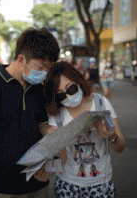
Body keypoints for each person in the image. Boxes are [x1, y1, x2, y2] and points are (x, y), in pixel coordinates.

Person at [0, 28, 60, 198]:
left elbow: (42, 127)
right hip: (2, 186)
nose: (44, 73)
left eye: (48, 68)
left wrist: (55, 134)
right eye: (41, 66)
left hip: (38, 182)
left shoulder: (38, 89)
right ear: (21, 59)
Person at [44, 61, 126, 197]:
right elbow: (61, 160)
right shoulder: (57, 115)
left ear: (78, 81)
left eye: (70, 89)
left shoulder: (101, 103)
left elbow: (121, 147)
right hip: (68, 186)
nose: (68, 97)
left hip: (102, 185)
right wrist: (54, 148)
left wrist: (112, 137)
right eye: (61, 95)